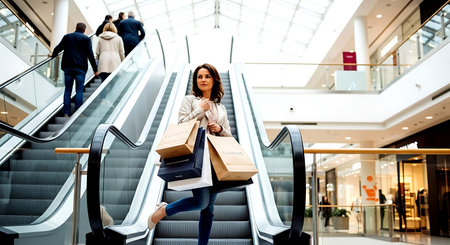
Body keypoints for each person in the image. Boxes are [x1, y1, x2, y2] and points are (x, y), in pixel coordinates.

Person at [148, 63, 231, 245]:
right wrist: (200, 108)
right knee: (201, 202)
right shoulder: (189, 100)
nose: (203, 80)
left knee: (208, 209)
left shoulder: (221, 108)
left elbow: (229, 136)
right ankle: (164, 210)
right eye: (199, 77)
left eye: (207, 76)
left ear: (214, 79)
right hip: (197, 158)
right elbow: (182, 124)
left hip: (215, 161)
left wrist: (220, 128)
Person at [51, 22, 98, 117]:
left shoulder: (67, 37)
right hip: (80, 68)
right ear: (84, 30)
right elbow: (90, 55)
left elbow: (58, 48)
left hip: (68, 67)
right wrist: (95, 69)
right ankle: (77, 112)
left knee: (68, 90)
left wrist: (53, 55)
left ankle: (66, 113)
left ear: (75, 27)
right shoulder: (86, 39)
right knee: (79, 90)